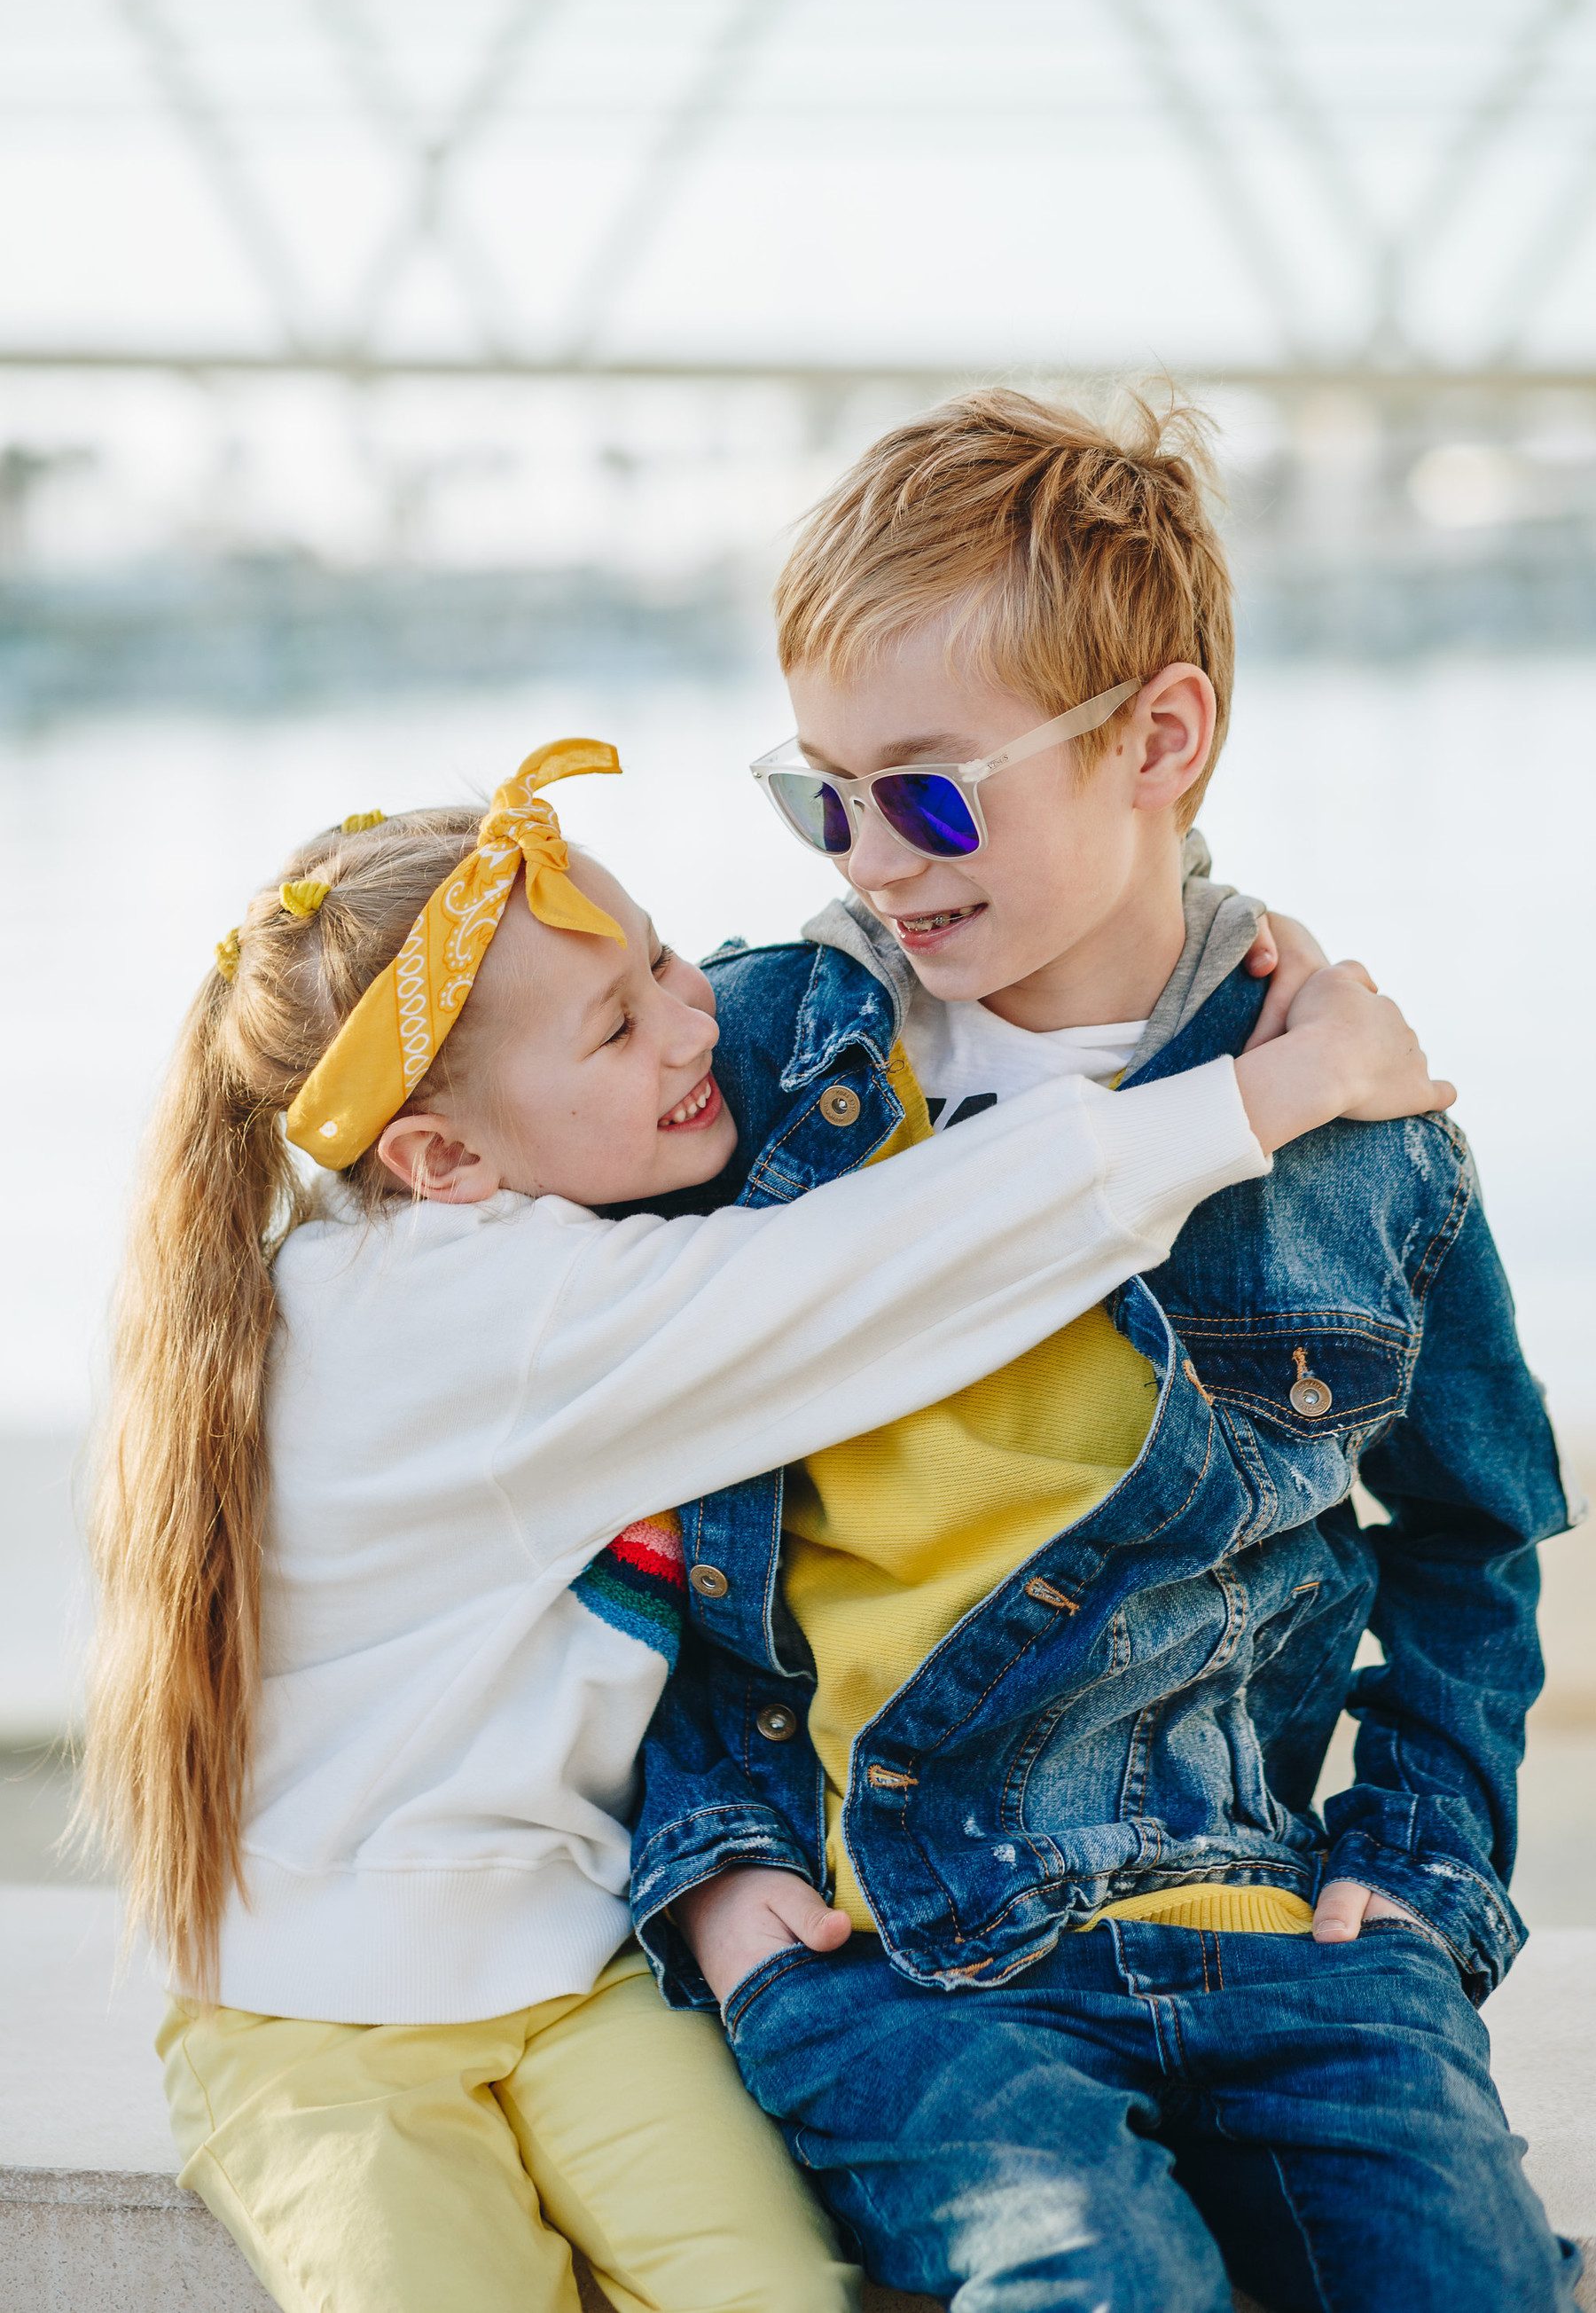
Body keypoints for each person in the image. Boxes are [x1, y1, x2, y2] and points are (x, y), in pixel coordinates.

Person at [79, 740, 1430, 2313]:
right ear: (438, 1160)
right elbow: (897, 1263)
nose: (693, 1015)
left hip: (573, 1971)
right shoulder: (474, 1319)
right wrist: (1278, 1091)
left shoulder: (447, 1248)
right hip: (313, 2018)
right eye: (616, 1020)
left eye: (660, 957)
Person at [631, 390, 1583, 2313]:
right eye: (822, 794)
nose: (878, 861)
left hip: (1284, 1935)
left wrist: (1414, 1884)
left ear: (1162, 736)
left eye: (934, 789)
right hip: (902, 1953)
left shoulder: (1362, 1131)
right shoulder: (753, 1078)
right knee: (1098, 2284)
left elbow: (1472, 1543)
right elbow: (588, 1476)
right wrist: (716, 1877)